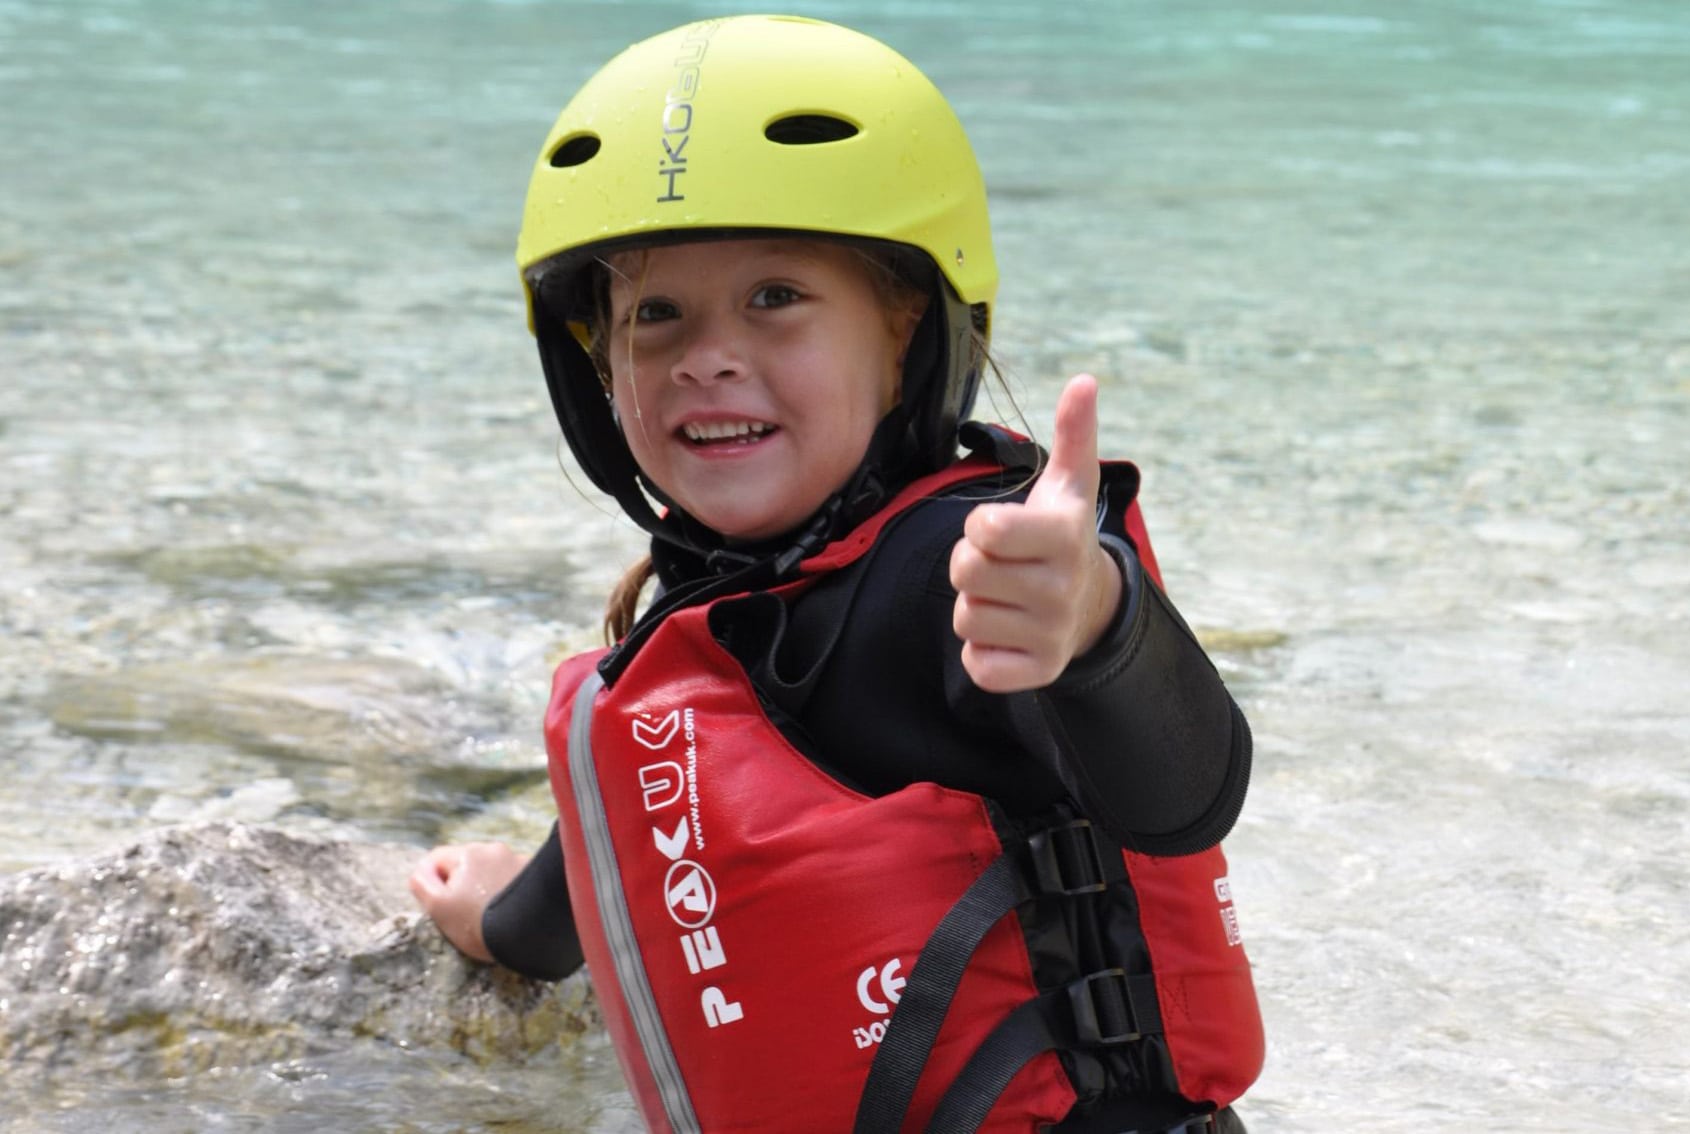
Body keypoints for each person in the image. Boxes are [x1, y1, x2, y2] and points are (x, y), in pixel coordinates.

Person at [411, 15, 1262, 1133]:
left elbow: (1181, 794)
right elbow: (636, 844)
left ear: (904, 327)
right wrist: (505, 930)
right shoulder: (711, 620)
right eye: (653, 314)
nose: (707, 353)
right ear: (600, 367)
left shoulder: (957, 570)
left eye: (775, 297)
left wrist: (1095, 628)